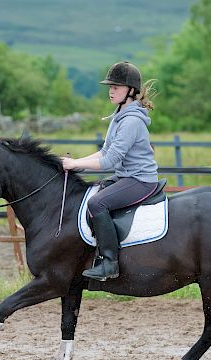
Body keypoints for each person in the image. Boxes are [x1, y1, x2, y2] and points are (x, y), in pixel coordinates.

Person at [62, 61, 159, 281]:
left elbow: (110, 160)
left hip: (140, 180)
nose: (111, 91)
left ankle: (110, 263)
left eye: (116, 87)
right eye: (110, 86)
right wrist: (76, 161)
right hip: (126, 176)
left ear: (131, 91)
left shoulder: (131, 121)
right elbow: (105, 151)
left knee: (97, 203)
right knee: (93, 194)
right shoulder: (119, 116)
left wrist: (75, 165)